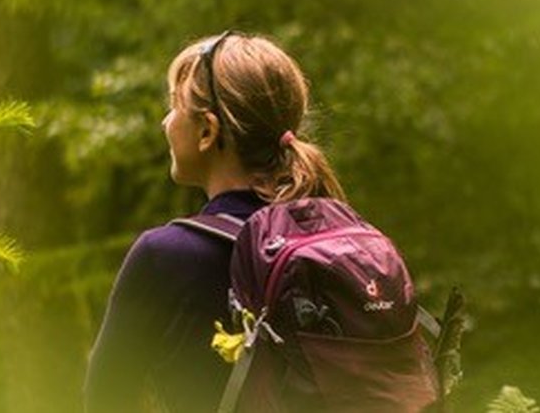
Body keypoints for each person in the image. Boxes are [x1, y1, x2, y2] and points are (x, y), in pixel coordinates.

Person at [84, 30, 347, 413]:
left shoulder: (166, 256)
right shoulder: (336, 244)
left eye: (174, 106)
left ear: (207, 131)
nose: (164, 122)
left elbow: (104, 401)